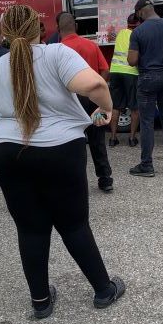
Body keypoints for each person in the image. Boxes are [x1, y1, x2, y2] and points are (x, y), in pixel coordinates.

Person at [0, 4, 125, 318]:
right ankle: (102, 289)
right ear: (38, 29)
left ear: (4, 33)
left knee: (30, 230)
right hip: (60, 149)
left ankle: (41, 301)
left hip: (8, 153)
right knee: (73, 224)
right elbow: (95, 85)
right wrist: (107, 110)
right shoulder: (58, 55)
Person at [58, 12, 114, 193]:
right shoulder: (91, 45)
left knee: (73, 142)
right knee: (97, 139)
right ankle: (105, 179)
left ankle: (76, 182)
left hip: (70, 102)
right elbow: (105, 70)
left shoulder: (57, 49)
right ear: (76, 27)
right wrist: (99, 91)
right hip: (93, 99)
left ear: (59, 29)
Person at [127, 0, 163, 178]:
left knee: (147, 122)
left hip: (148, 78)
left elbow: (132, 60)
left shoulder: (138, 32)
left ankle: (147, 165)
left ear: (141, 12)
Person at [108, 13, 140, 148]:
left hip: (115, 71)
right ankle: (132, 139)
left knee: (116, 106)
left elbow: (112, 36)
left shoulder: (121, 33)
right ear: (138, 24)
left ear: (127, 23)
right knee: (134, 107)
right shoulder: (137, 35)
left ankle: (112, 138)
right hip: (131, 73)